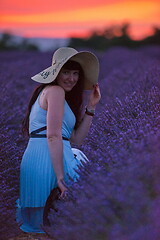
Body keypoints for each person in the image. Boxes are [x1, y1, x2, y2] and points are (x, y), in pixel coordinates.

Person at [16, 47, 101, 234]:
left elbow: (76, 140)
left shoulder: (54, 93)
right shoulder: (55, 91)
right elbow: (53, 136)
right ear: (56, 73)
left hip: (48, 156)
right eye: (66, 72)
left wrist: (91, 107)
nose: (72, 78)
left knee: (50, 225)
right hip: (47, 160)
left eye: (76, 73)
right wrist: (61, 178)